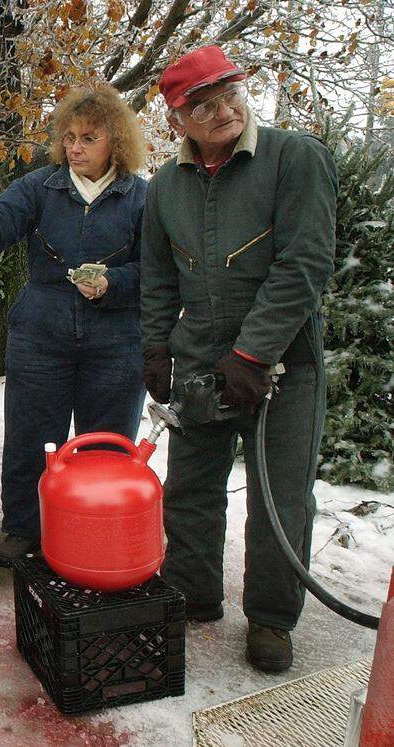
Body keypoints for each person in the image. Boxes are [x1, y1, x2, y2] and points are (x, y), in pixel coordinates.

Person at [140, 46, 337, 672]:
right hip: (199, 361)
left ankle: (272, 619)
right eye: (202, 105)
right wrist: (154, 347)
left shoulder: (293, 159)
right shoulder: (165, 186)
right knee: (191, 490)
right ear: (177, 120)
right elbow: (156, 276)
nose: (222, 111)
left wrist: (252, 355)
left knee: (280, 496)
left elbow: (304, 265)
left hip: (283, 368)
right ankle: (194, 594)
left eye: (228, 95)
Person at [0, 81, 148, 567]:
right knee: (30, 438)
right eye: (69, 137)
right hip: (42, 335)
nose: (74, 148)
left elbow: (160, 271)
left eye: (89, 138)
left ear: (116, 144)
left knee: (104, 448)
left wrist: (114, 283)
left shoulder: (142, 198)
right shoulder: (40, 188)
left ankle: (95, 531)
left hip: (118, 342)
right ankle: (24, 527)